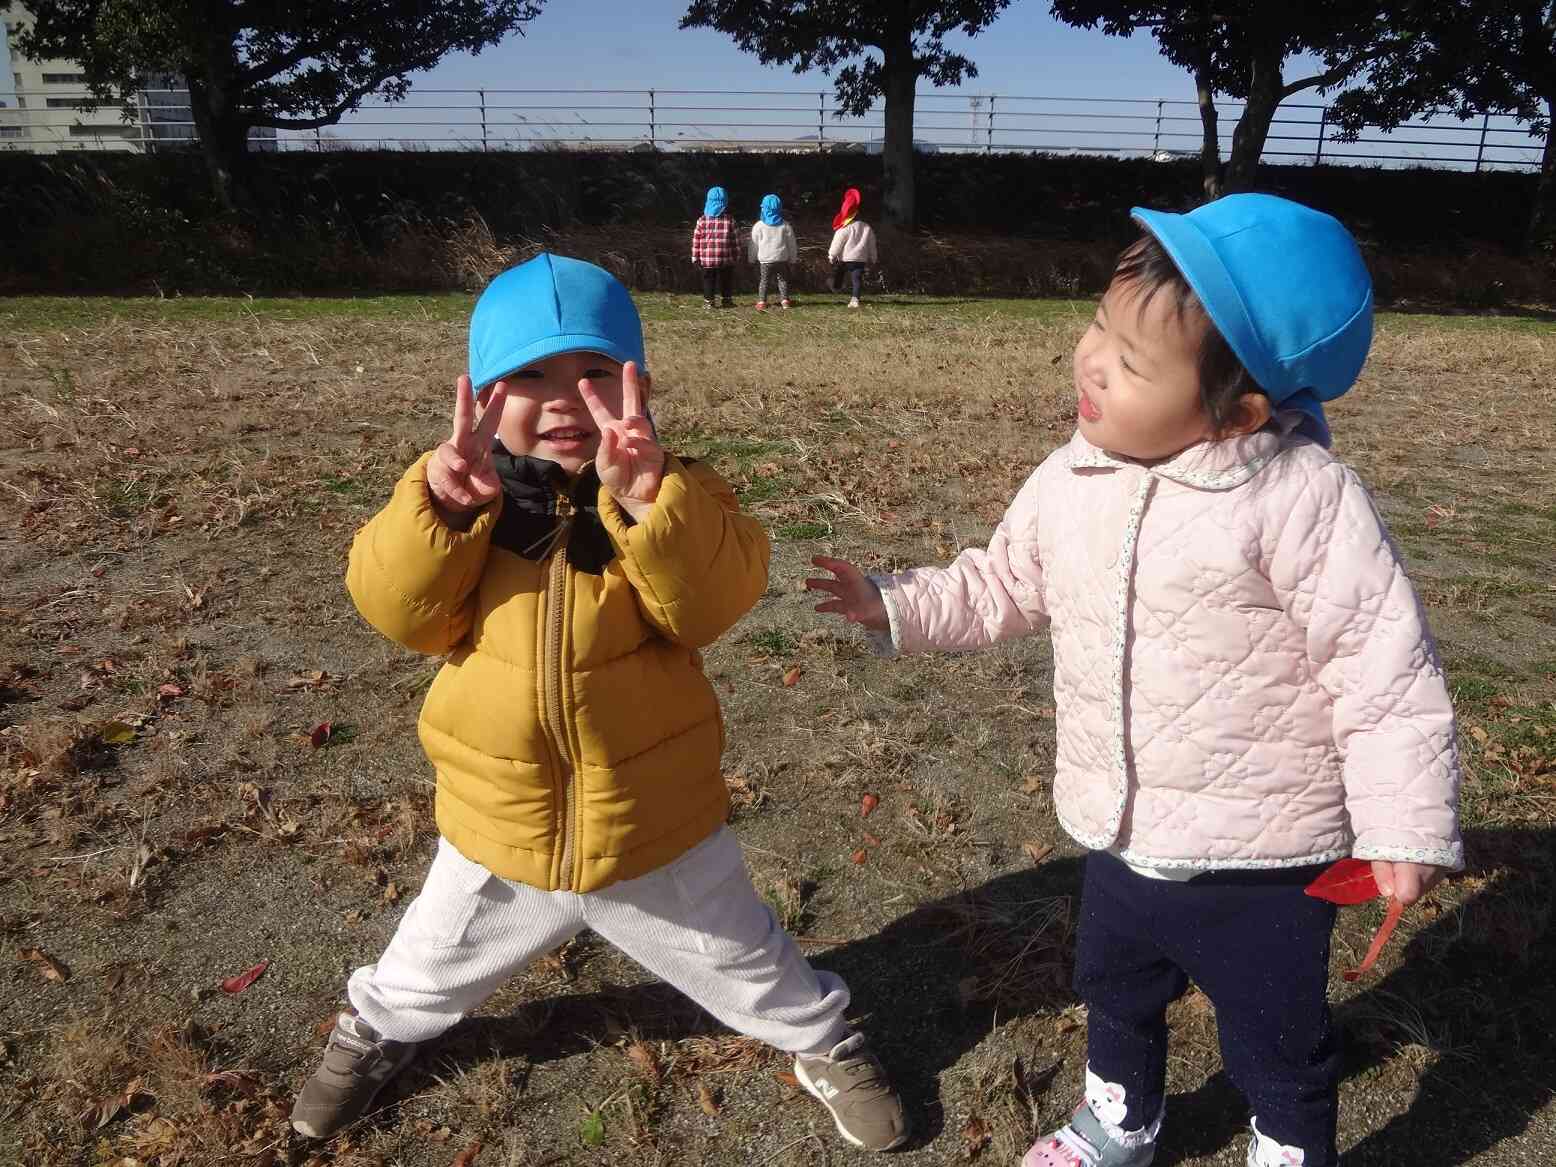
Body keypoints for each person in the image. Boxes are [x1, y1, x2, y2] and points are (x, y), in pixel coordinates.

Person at [805, 195, 1461, 1167]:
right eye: (1097, 328)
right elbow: (1003, 579)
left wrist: (1402, 825)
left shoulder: (1297, 500)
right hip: (1120, 836)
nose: (1090, 362)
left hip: (1263, 860)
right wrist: (897, 602)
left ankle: (1286, 1143)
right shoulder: (1074, 473)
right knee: (1112, 991)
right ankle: (1121, 1118)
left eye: (1132, 360)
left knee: (1272, 1033)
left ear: (1240, 407)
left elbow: (1379, 669)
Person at [290, 253, 908, 1152]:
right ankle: (375, 1029)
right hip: (498, 824)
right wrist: (440, 510)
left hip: (654, 823)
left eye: (592, 373)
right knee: (425, 962)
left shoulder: (680, 492)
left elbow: (707, 607)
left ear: (639, 386)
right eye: (530, 376)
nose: (565, 399)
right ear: (484, 395)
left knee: (749, 958)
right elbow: (400, 614)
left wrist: (651, 498)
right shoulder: (459, 498)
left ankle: (822, 1038)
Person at [827, 187, 878, 308]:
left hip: (845, 259)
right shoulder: (867, 227)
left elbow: (837, 243)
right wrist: (873, 258)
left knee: (840, 272)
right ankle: (855, 299)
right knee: (857, 279)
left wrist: (832, 255)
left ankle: (836, 287)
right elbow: (872, 244)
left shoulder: (844, 229)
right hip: (860, 260)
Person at [691, 185, 738, 309]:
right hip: (725, 258)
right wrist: (736, 255)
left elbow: (696, 240)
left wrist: (695, 257)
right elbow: (734, 241)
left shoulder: (701, 220)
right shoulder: (730, 220)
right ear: (725, 202)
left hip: (707, 259)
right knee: (726, 280)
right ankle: (727, 301)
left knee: (708, 281)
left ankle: (709, 302)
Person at [749, 193, 798, 310]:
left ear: (763, 209)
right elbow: (792, 244)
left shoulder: (759, 226)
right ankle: (785, 300)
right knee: (783, 280)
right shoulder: (785, 226)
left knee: (764, 281)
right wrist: (793, 258)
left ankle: (762, 302)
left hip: (765, 260)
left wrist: (751, 259)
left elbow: (753, 245)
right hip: (782, 259)